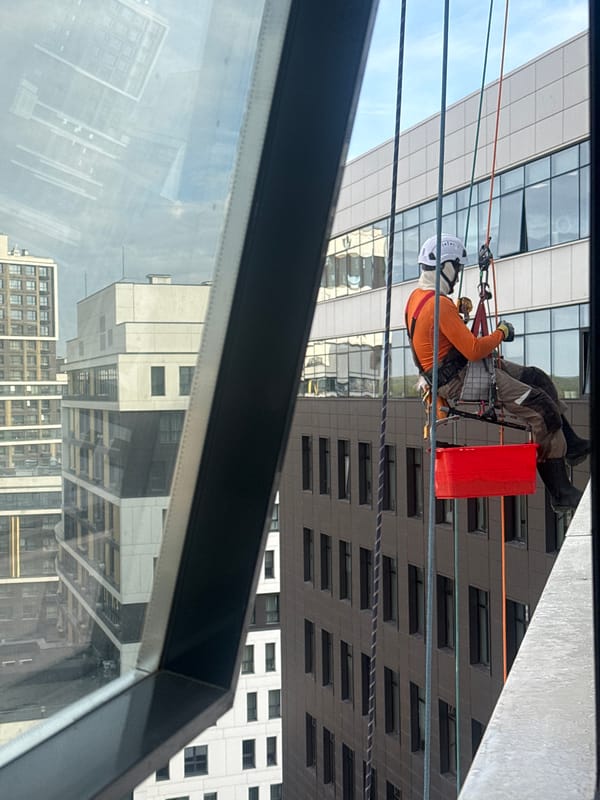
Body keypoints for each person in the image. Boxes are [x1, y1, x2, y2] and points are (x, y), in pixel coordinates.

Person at [405, 233, 589, 512]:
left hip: (455, 370)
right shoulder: (439, 306)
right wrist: (501, 332)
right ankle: (560, 492)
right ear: (447, 267)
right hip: (460, 378)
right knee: (541, 410)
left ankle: (572, 445)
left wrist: (459, 317)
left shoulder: (418, 298)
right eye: (457, 269)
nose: (456, 277)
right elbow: (475, 349)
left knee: (536, 378)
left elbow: (437, 338)